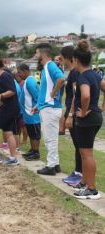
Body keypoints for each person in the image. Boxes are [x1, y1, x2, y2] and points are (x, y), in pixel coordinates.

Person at [70, 41, 104, 199]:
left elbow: (85, 95)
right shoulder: (96, 75)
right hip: (95, 117)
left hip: (87, 118)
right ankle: (84, 182)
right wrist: (102, 106)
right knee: (84, 153)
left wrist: (83, 112)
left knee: (87, 153)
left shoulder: (83, 77)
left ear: (76, 60)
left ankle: (92, 189)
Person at [34, 43, 66, 175]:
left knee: (50, 138)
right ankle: (56, 164)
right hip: (46, 106)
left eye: (36, 53)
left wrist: (53, 93)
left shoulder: (50, 65)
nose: (36, 55)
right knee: (50, 137)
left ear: (40, 53)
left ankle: (51, 165)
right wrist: (39, 104)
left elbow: (61, 79)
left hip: (50, 108)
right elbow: (44, 90)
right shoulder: (47, 67)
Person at [58, 46, 83, 186]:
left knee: (80, 146)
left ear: (67, 57)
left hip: (75, 113)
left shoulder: (74, 73)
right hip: (73, 111)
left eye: (61, 58)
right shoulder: (75, 72)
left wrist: (70, 115)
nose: (61, 61)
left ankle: (79, 173)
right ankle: (77, 171)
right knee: (78, 145)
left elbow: (75, 95)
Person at [17, 64, 41, 161]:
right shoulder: (26, 81)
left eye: (19, 72)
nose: (18, 74)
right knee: (31, 133)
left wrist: (35, 108)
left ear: (25, 71)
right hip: (27, 113)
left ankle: (36, 152)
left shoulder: (30, 81)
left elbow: (37, 97)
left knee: (35, 133)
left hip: (32, 113)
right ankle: (32, 150)